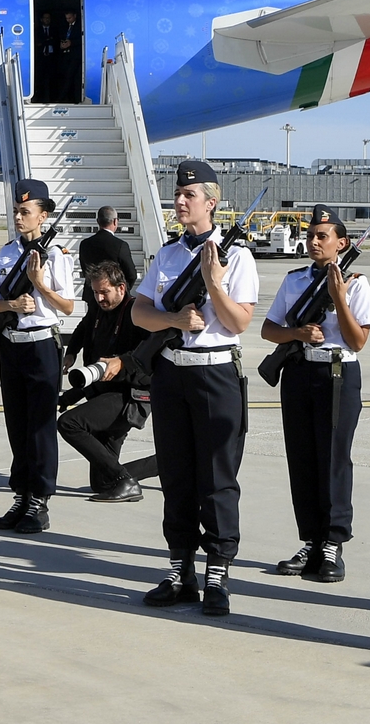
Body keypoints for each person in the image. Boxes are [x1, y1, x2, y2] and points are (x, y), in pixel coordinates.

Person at [132, 160, 259, 617]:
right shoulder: (166, 255)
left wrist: (212, 283)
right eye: (177, 194)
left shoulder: (236, 256)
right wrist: (171, 320)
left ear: (212, 201)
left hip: (214, 374)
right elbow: (139, 313)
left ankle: (218, 573)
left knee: (217, 478)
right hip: (171, 373)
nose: (180, 201)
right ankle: (179, 569)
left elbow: (239, 320)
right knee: (176, 474)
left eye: (189, 195)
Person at [261, 204, 370, 583]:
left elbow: (358, 340)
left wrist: (338, 296)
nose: (314, 241)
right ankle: (310, 540)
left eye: (322, 236)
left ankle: (333, 544)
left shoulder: (357, 283)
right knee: (303, 459)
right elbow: (269, 330)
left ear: (341, 243)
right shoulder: (294, 280)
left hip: (337, 373)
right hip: (298, 371)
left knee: (334, 460)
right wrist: (296, 334)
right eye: (311, 235)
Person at [0, 178, 77, 534]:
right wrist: (10, 304)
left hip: (40, 345)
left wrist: (40, 285)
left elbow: (67, 306)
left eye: (26, 212)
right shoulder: (7, 252)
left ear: (44, 216)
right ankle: (21, 495)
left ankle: (39, 499)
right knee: (17, 423)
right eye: (17, 211)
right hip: (10, 342)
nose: (19, 218)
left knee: (39, 426)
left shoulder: (57, 255)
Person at [57, 260, 161, 502]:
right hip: (101, 392)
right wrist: (71, 352)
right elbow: (83, 328)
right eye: (95, 292)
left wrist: (120, 364)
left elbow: (150, 360)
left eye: (104, 292)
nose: (99, 298)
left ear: (121, 289)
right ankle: (169, 464)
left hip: (129, 397)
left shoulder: (137, 314)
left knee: (69, 424)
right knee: (102, 482)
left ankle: (125, 482)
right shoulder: (98, 309)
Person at [79, 206, 137, 305]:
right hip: (114, 297)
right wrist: (121, 291)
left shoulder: (85, 244)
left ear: (98, 221)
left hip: (93, 295)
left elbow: (86, 271)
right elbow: (131, 274)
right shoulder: (120, 245)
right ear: (115, 221)